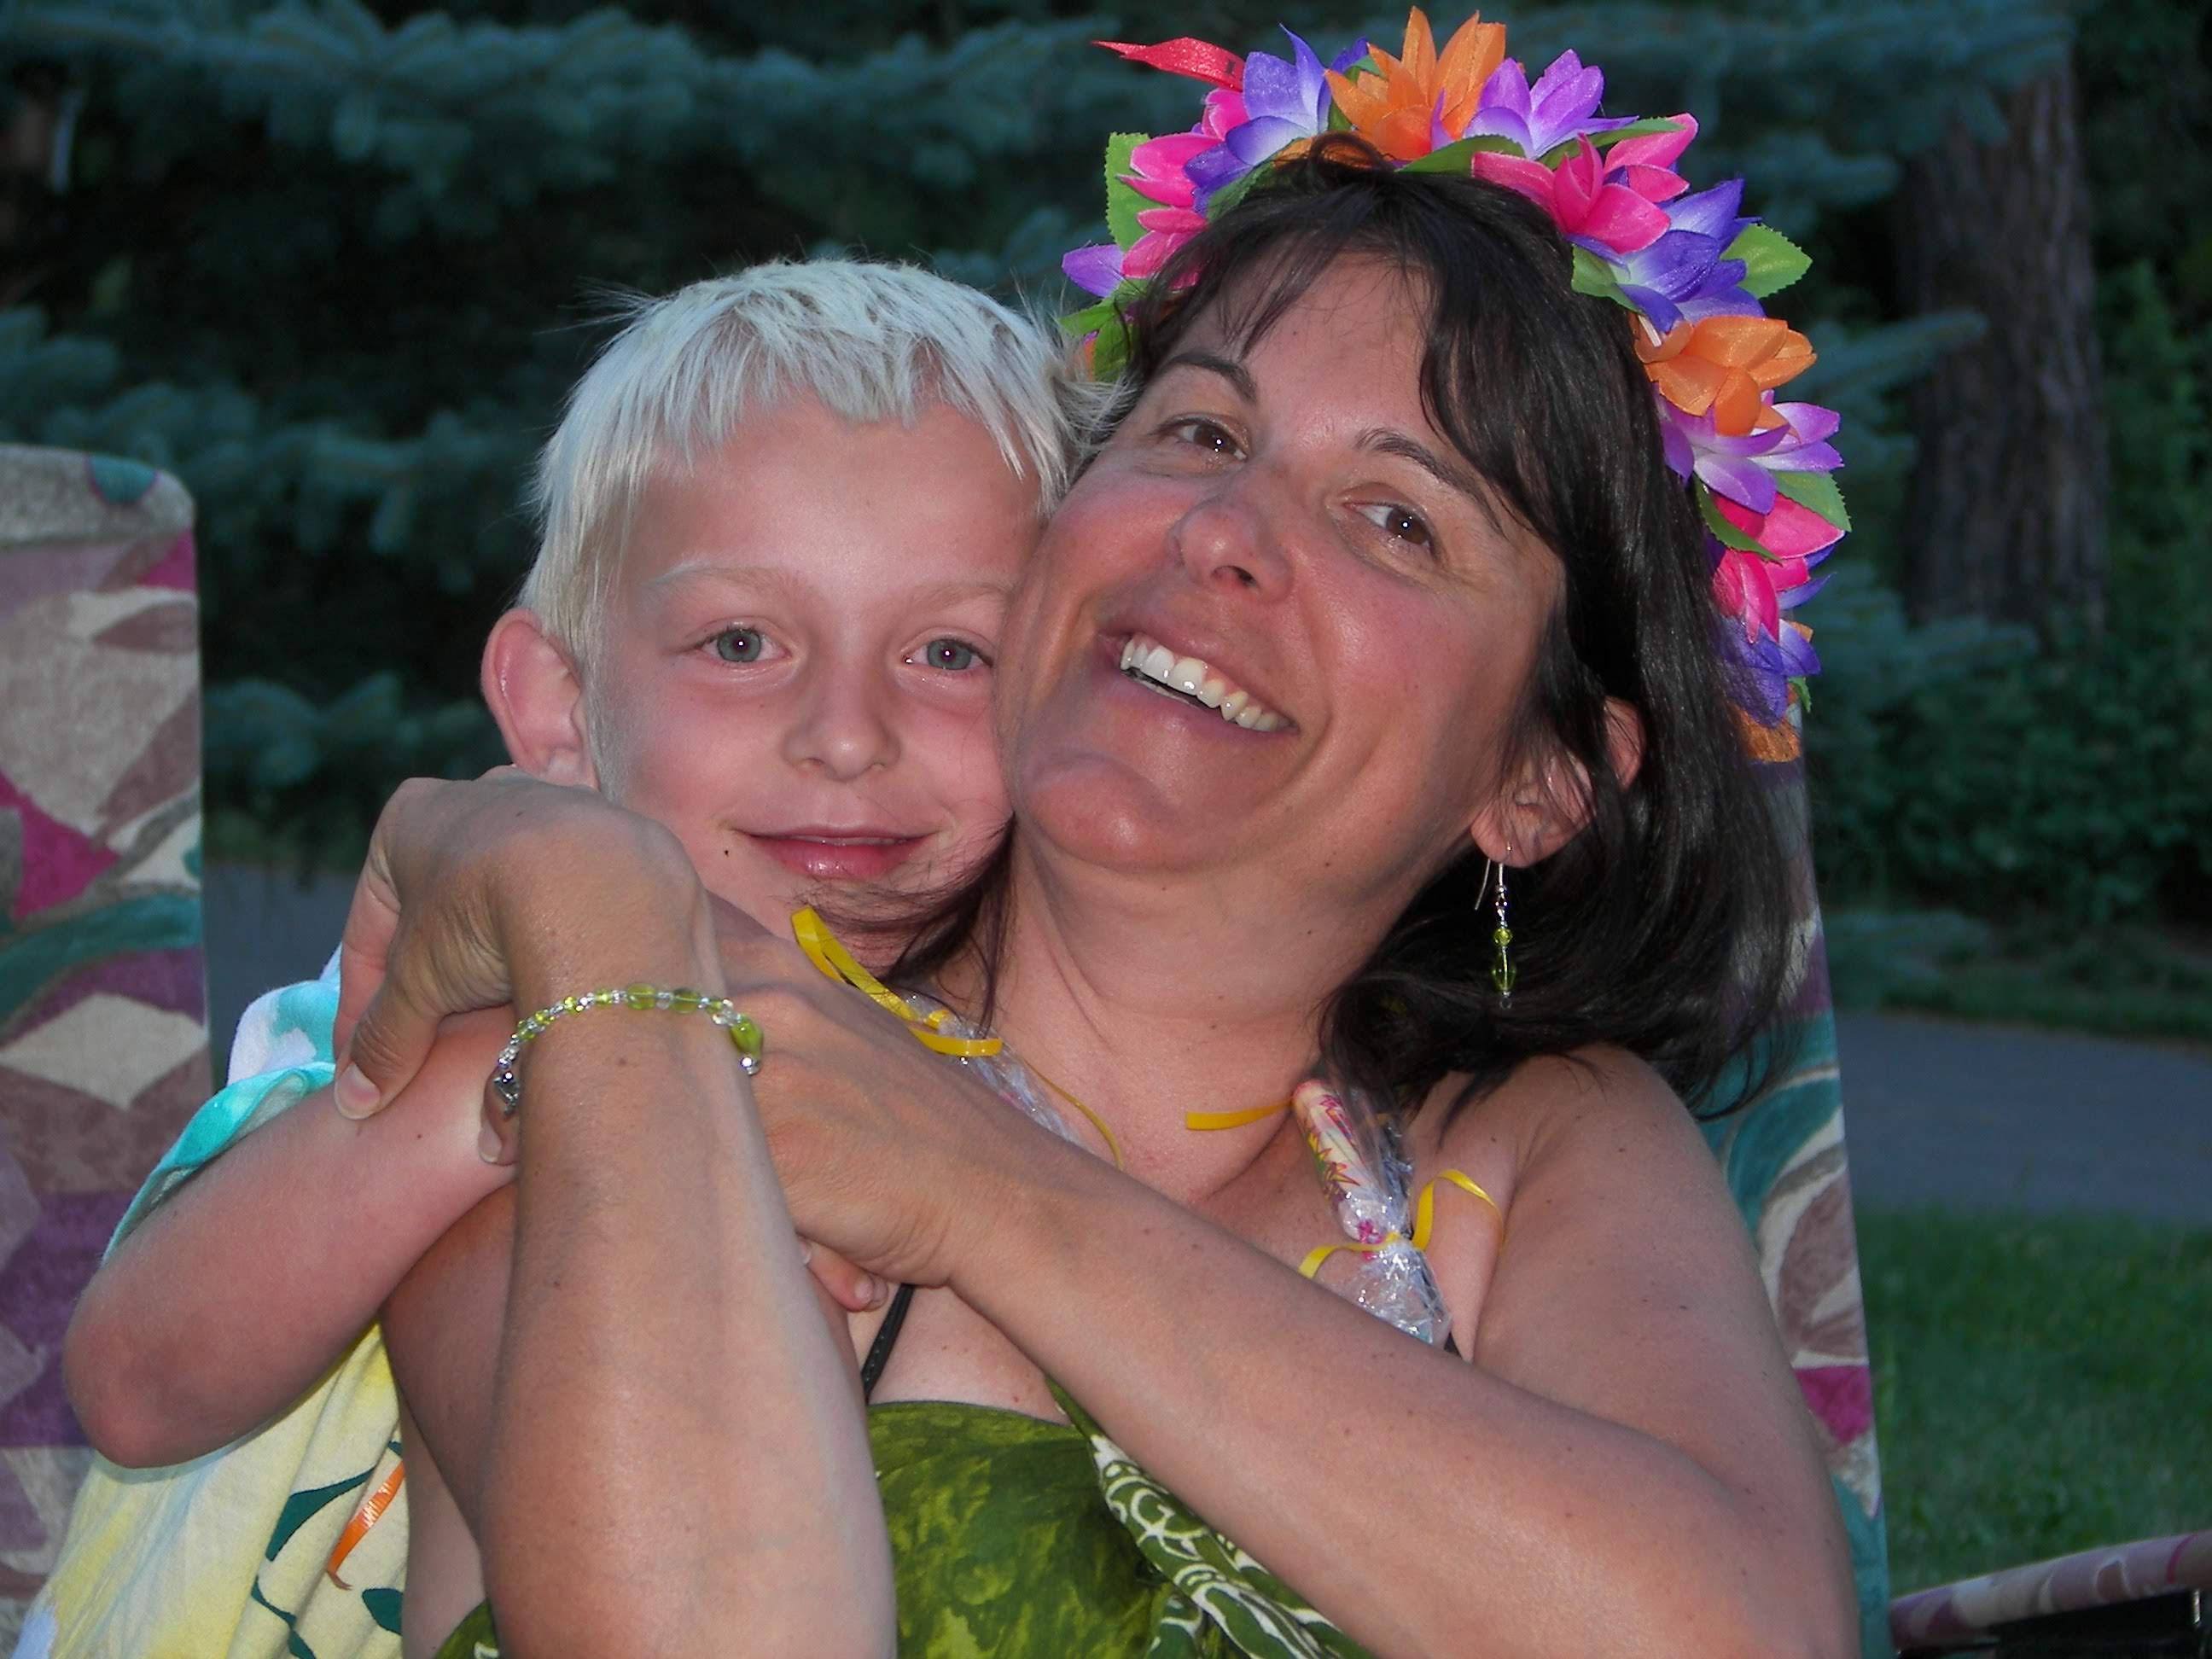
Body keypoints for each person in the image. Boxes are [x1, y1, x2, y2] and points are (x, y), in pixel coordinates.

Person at [330, 14, 1860, 1656]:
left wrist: (985, 1191)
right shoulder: (659, 1035)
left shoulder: (1538, 1148)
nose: (1223, 532)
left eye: (1396, 517)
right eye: (1200, 431)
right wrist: (584, 897)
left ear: (1543, 779)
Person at [31, 259, 1091, 1659]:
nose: (848, 734)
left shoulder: (1040, 1064)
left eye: (953, 653)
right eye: (742, 642)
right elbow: (135, 1380)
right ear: (557, 708)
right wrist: (520, 1084)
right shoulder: (464, 1015)